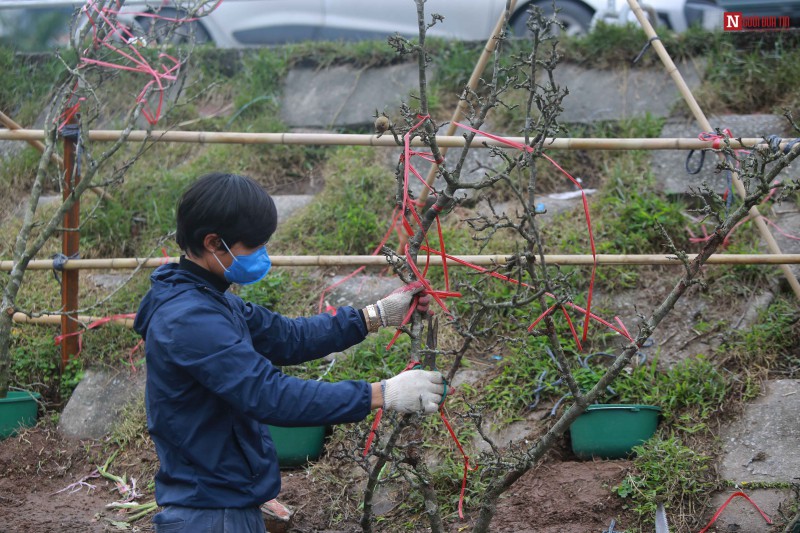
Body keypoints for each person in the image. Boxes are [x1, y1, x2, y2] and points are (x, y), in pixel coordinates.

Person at [133, 172, 445, 533]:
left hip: (223, 502)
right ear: (214, 243)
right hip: (209, 516)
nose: (263, 255)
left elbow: (287, 336)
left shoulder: (209, 300)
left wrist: (374, 316)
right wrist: (383, 393)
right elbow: (270, 395)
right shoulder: (190, 320)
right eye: (254, 246)